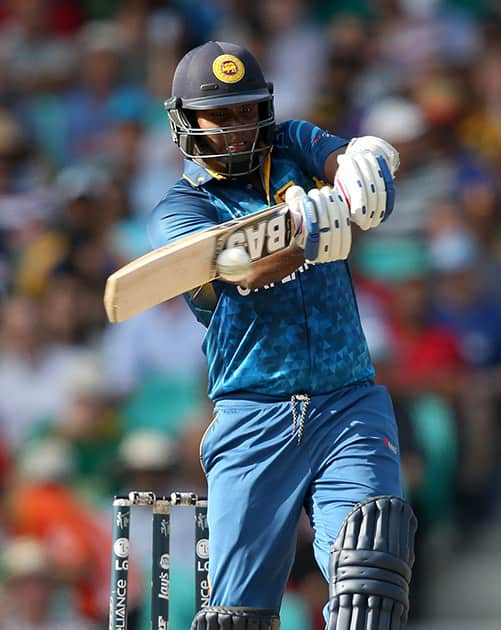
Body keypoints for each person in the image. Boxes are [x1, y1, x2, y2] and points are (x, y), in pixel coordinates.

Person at [149, 41, 417, 630]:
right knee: (236, 618)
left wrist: (361, 161)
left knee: (370, 568)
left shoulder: (291, 141)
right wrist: (304, 234)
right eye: (220, 117)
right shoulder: (180, 208)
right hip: (252, 414)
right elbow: (235, 268)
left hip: (347, 402)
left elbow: (348, 171)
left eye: (247, 111)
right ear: (186, 121)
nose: (239, 129)